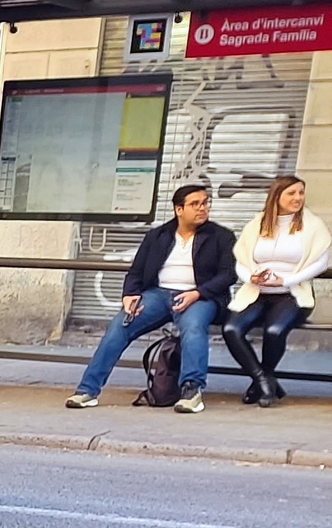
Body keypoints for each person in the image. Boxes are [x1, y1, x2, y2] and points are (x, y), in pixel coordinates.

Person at [68, 182, 236, 414]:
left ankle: (191, 390)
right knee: (119, 325)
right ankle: (88, 390)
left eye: (206, 203)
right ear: (179, 209)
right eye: (195, 204)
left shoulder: (221, 236)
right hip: (158, 294)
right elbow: (136, 271)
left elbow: (228, 275)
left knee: (194, 327)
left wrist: (197, 293)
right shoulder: (158, 236)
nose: (202, 208)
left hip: (200, 296)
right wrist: (129, 295)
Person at [222, 174, 329, 409]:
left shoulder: (312, 225)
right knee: (231, 328)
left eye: (301, 192)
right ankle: (263, 380)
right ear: (276, 196)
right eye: (291, 193)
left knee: (274, 330)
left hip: (293, 294)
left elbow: (320, 262)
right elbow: (241, 257)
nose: (298, 198)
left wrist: (288, 279)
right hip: (256, 292)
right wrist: (250, 276)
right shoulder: (257, 223)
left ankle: (263, 381)